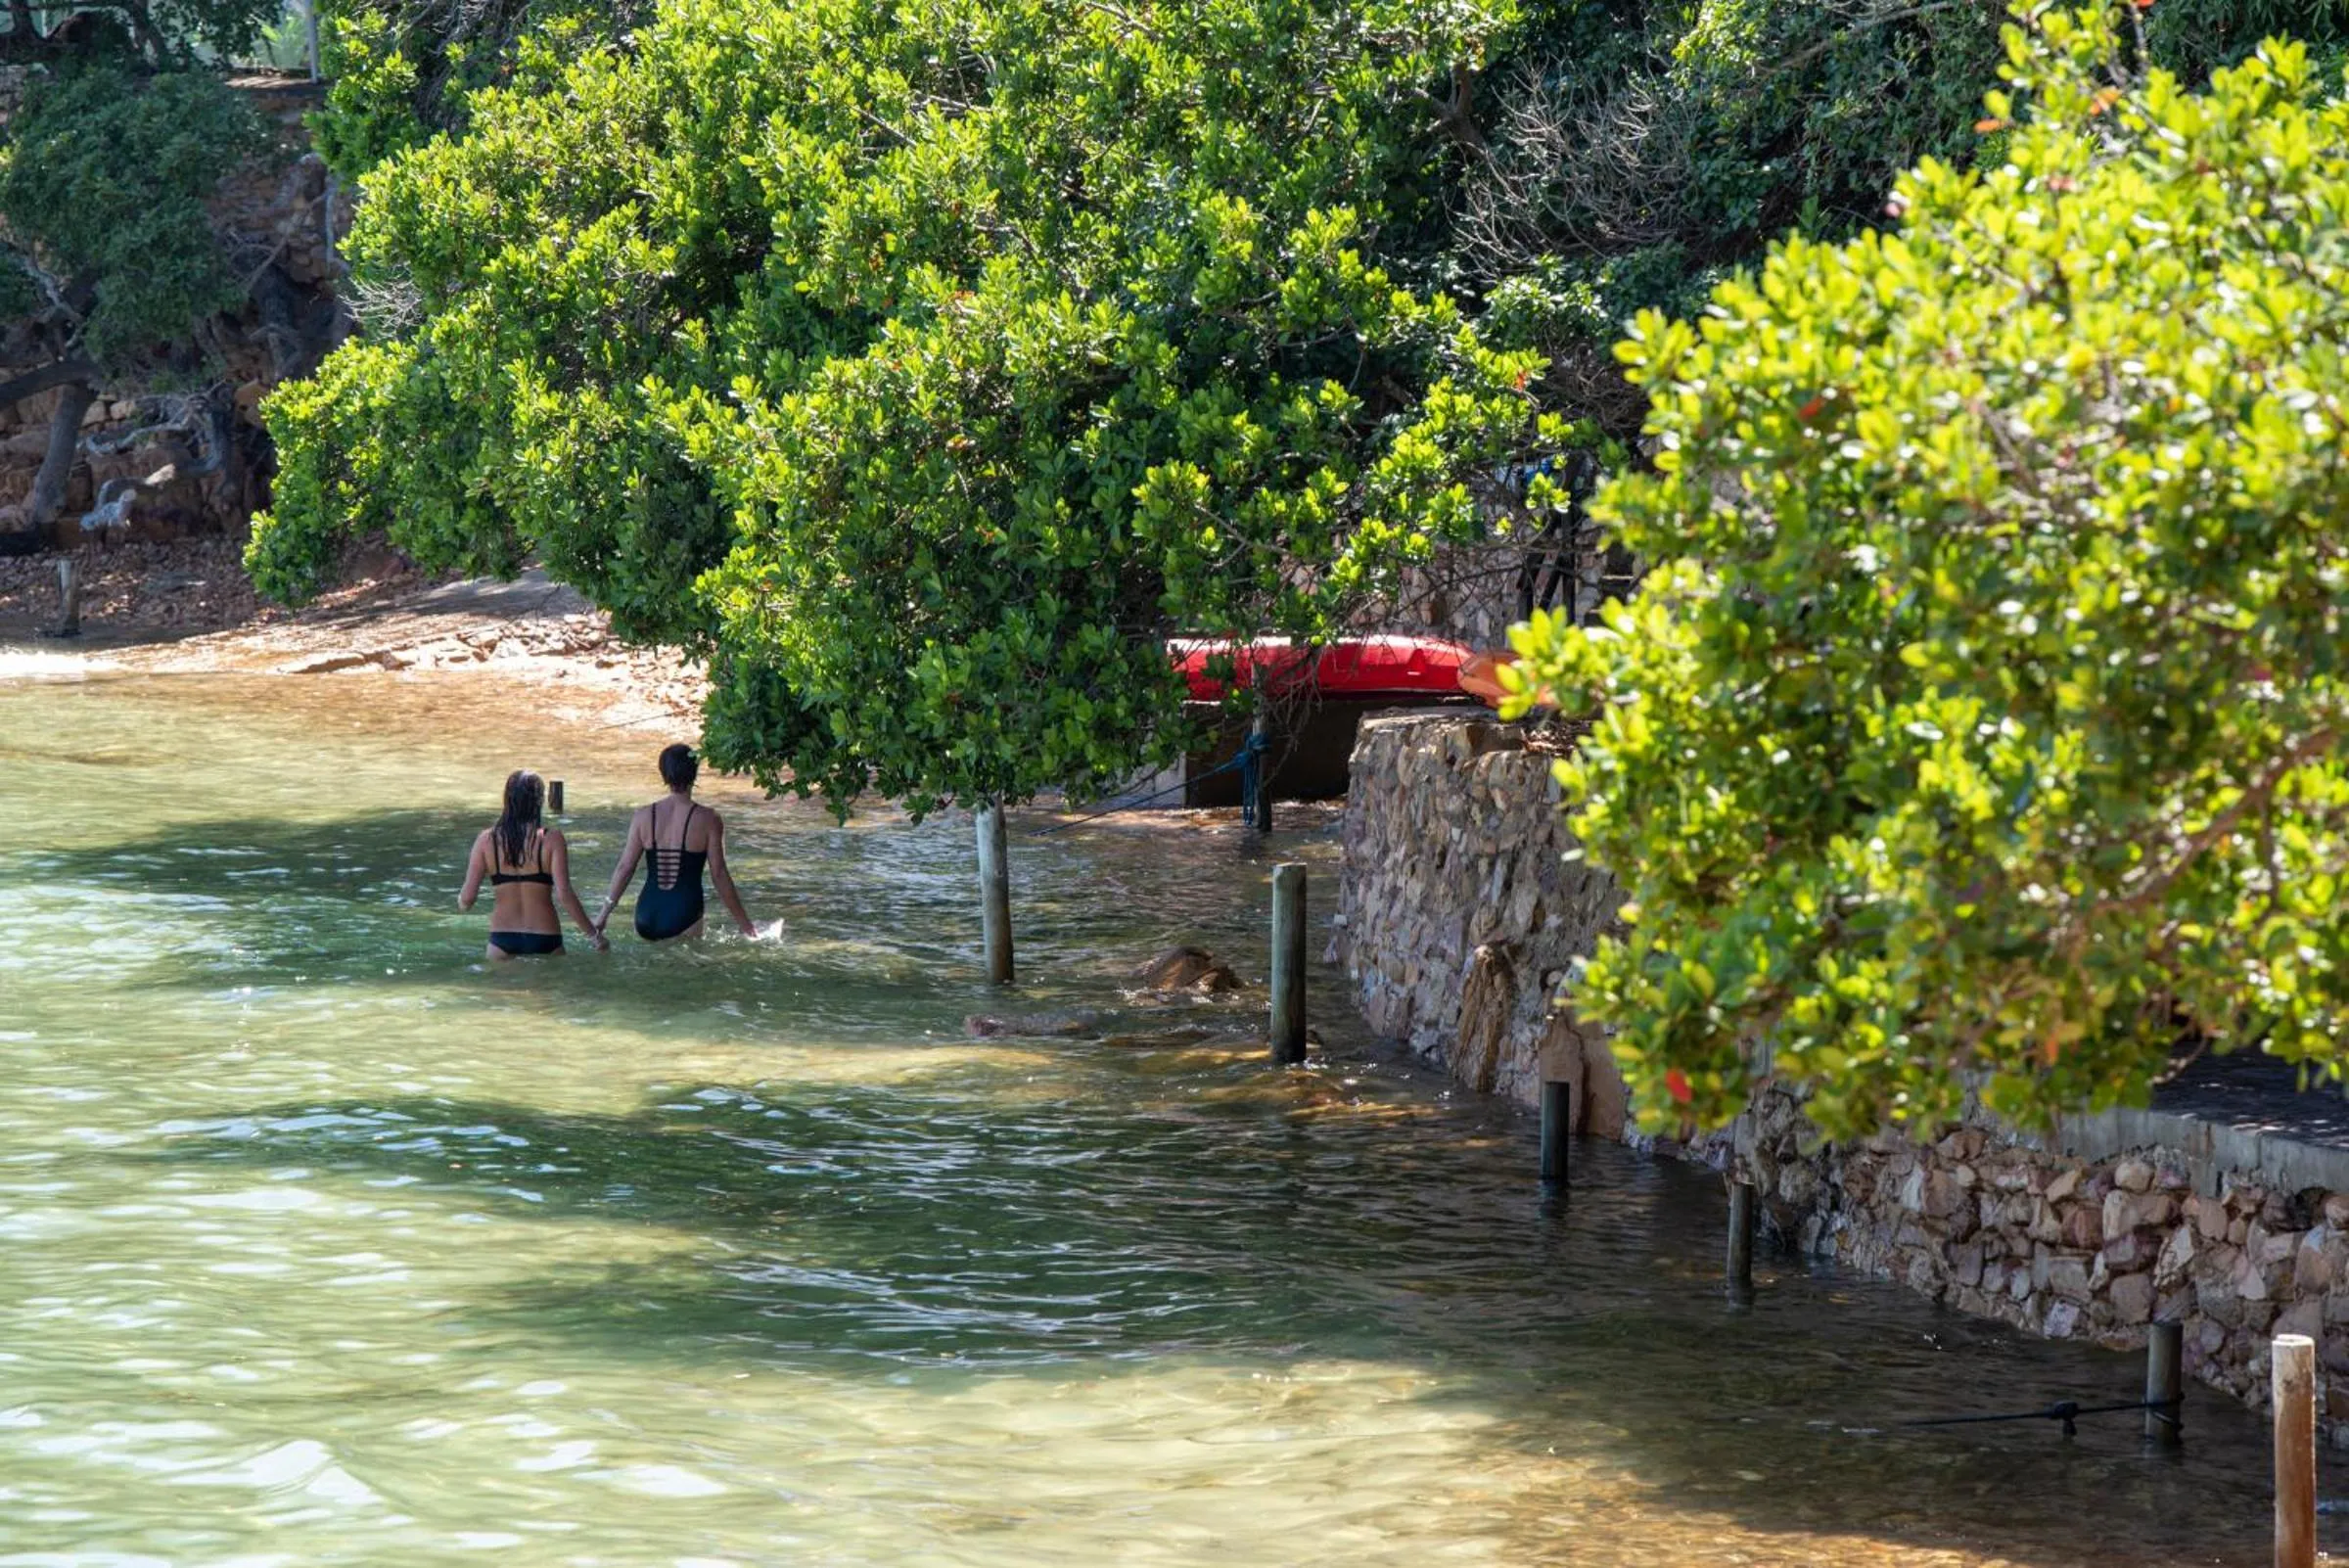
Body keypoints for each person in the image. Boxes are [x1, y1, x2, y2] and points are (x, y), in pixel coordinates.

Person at [596, 744, 760, 943]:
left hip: (646, 914)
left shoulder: (642, 816)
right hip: (685, 914)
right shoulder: (709, 819)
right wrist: (746, 926)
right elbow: (719, 874)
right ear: (694, 774)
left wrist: (603, 916)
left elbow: (625, 868)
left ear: (663, 774)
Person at [459, 769, 608, 959]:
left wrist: (461, 903)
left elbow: (468, 899)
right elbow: (564, 895)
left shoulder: (486, 840)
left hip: (502, 938)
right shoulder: (552, 839)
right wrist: (594, 936)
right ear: (539, 801)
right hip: (546, 937)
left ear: (507, 800)